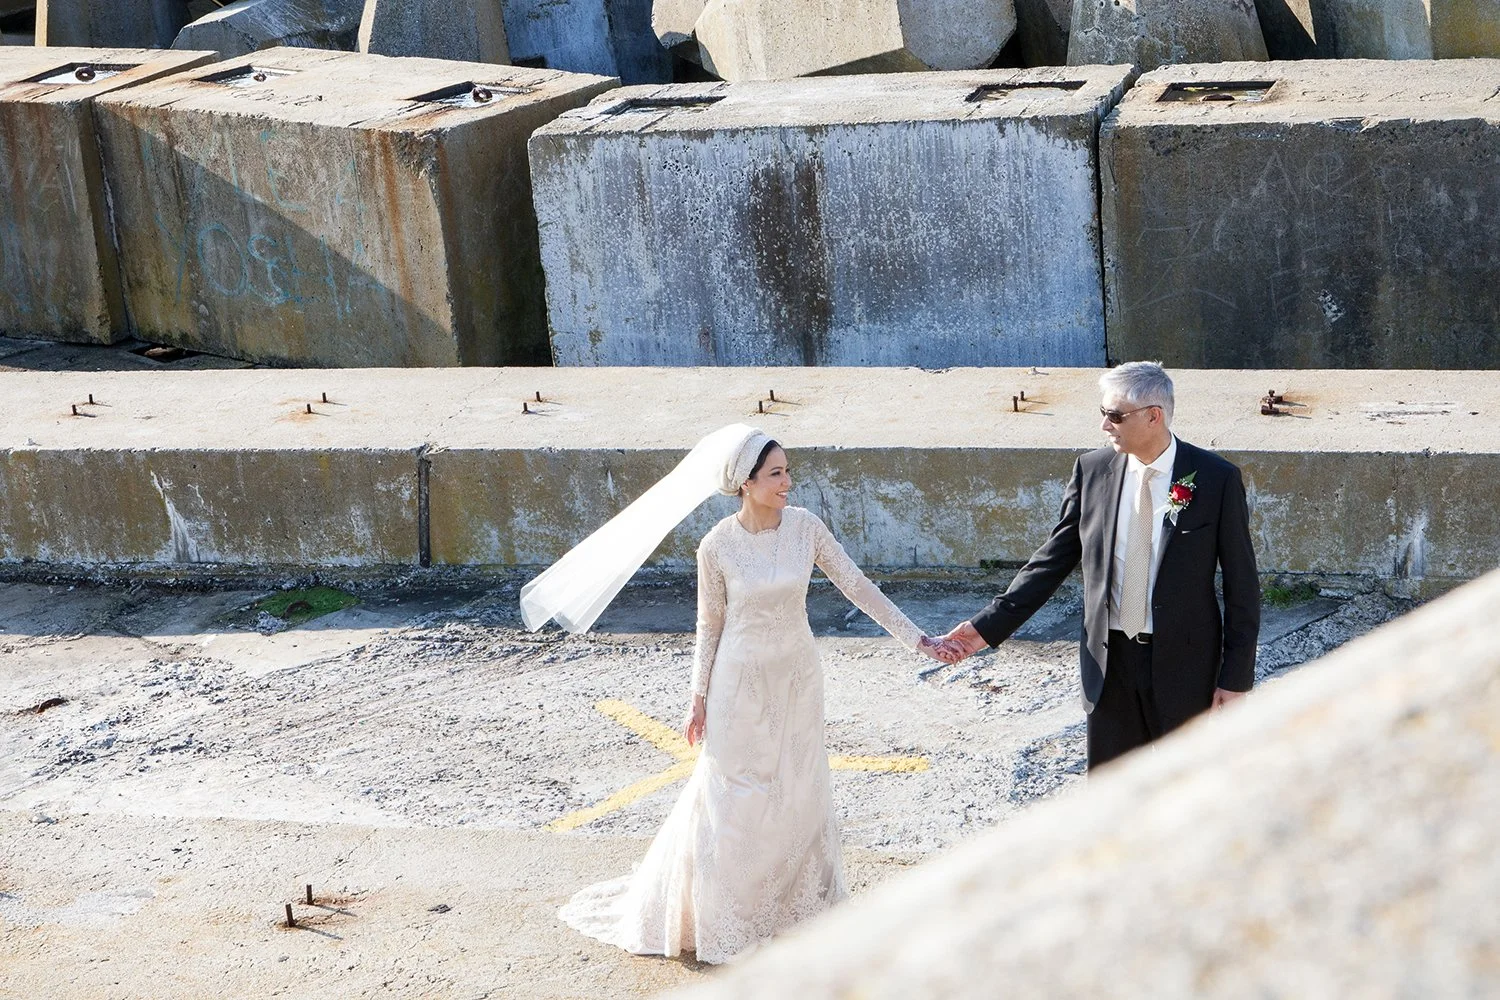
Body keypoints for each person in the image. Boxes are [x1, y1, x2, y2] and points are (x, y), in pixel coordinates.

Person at [522, 426, 955, 964]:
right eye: (776, 474)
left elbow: (858, 586)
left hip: (797, 679)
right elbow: (710, 622)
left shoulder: (806, 528)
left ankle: (794, 909)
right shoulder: (717, 546)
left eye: (788, 471)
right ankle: (723, 919)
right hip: (738, 684)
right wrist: (697, 695)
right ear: (745, 483)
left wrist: (918, 639)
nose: (787, 483)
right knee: (735, 798)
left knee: (798, 791)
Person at [937, 362, 1260, 769]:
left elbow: (1242, 587)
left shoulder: (1216, 479)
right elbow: (1051, 562)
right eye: (1103, 413)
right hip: (1109, 667)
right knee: (1113, 794)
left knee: (1192, 791)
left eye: (1115, 415)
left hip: (1186, 668)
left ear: (1153, 416)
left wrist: (1235, 680)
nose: (1105, 426)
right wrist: (983, 628)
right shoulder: (1092, 471)